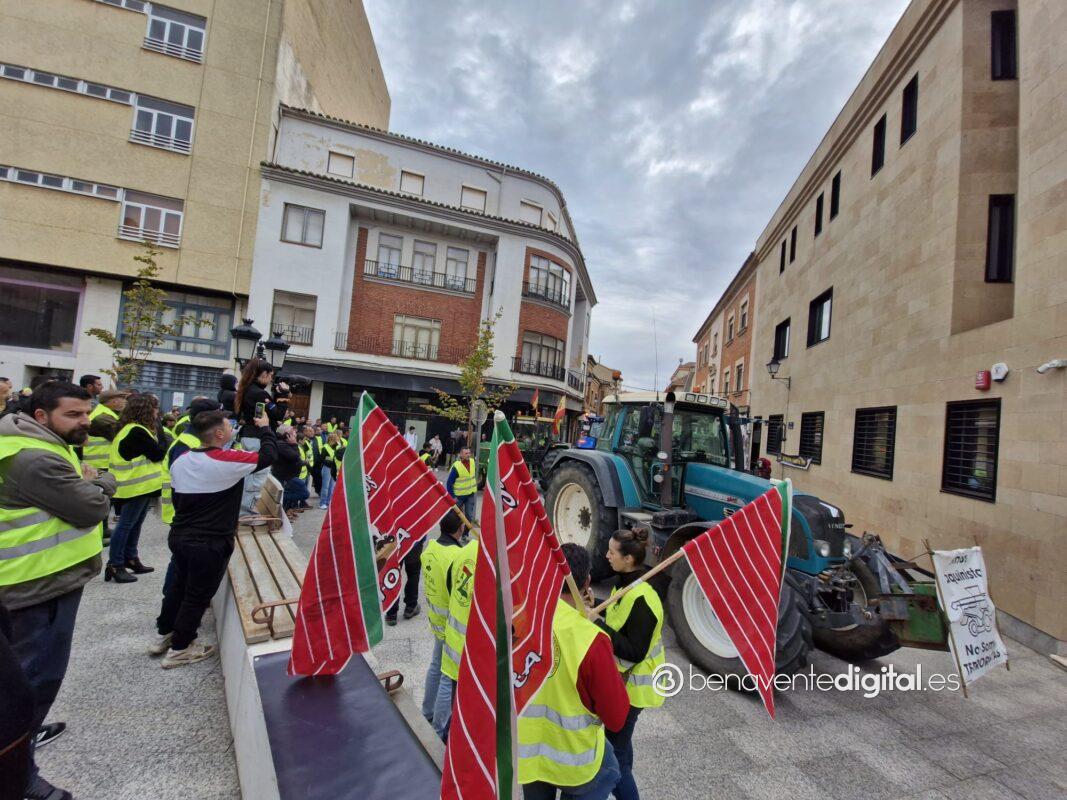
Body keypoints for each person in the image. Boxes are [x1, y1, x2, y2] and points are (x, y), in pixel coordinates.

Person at [0, 382, 116, 800]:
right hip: (37, 583)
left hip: (41, 578)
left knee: (25, 679)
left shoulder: (40, 443)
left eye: (87, 412)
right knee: (35, 680)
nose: (85, 421)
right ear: (42, 416)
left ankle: (20, 746)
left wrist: (88, 482)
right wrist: (101, 486)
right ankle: (19, 776)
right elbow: (90, 507)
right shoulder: (32, 459)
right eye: (74, 414)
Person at [152, 408, 277, 667]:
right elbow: (268, 455)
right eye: (228, 426)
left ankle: (164, 633)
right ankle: (180, 648)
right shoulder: (226, 459)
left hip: (181, 534)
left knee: (177, 587)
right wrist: (265, 428)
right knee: (197, 595)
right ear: (219, 433)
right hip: (209, 541)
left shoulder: (182, 459)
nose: (232, 428)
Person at [519, 544, 629, 800]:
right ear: (587, 580)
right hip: (574, 764)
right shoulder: (591, 638)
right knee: (611, 771)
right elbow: (615, 717)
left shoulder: (518, 620)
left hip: (528, 754)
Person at [596, 529, 665, 800]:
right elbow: (616, 617)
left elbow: (635, 651)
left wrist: (598, 624)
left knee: (615, 761)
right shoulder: (624, 585)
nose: (607, 555)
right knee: (621, 750)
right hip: (622, 686)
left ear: (628, 559)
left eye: (612, 552)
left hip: (633, 690)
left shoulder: (644, 599)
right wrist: (597, 605)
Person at [106, 393, 166, 582]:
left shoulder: (131, 429)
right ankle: (115, 565)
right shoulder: (137, 431)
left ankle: (131, 558)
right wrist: (159, 430)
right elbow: (158, 453)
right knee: (125, 526)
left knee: (135, 524)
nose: (158, 412)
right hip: (135, 487)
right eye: (155, 408)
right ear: (147, 410)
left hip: (140, 487)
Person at [418, 510, 465, 730]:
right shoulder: (457, 557)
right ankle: (439, 727)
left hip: (436, 620)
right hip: (452, 624)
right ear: (460, 528)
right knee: (449, 676)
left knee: (436, 666)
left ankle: (427, 711)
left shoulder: (430, 549)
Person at [436, 535, 479, 739]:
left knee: (459, 710)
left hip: (455, 649)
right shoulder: (500, 564)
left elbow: (450, 586)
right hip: (475, 657)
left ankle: (446, 739)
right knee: (466, 719)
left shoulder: (465, 551)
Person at [235, 358, 287, 511]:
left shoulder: (248, 390)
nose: (272, 379)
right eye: (271, 375)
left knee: (251, 474)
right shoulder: (258, 393)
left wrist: (276, 398)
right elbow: (278, 414)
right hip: (256, 438)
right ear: (263, 374)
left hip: (249, 436)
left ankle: (246, 509)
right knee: (256, 475)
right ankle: (246, 512)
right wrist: (283, 397)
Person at [80, 389, 128, 470]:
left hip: (100, 463)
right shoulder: (103, 417)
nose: (125, 402)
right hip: (100, 465)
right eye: (122, 399)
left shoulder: (106, 413)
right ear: (114, 402)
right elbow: (122, 437)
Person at [273, 424, 309, 512]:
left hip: (290, 476)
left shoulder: (285, 443)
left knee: (288, 500)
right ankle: (279, 497)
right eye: (292, 433)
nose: (294, 435)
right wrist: (294, 444)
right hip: (287, 477)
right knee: (304, 493)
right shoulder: (281, 444)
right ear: (286, 435)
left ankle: (285, 510)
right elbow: (295, 456)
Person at [446, 446, 478, 520]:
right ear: (461, 455)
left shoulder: (473, 462)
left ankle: (465, 532)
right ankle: (447, 529)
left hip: (470, 495)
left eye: (469, 453)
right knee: (452, 515)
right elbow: (449, 483)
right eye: (466, 453)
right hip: (459, 497)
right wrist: (452, 497)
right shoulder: (456, 467)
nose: (468, 455)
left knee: (469, 517)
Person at [319, 431, 341, 509]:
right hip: (327, 469)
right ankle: (322, 503)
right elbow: (322, 459)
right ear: (332, 439)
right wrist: (332, 461)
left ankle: (329, 502)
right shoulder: (325, 447)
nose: (338, 439)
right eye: (336, 438)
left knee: (332, 487)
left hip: (334, 469)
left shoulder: (338, 446)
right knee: (325, 487)